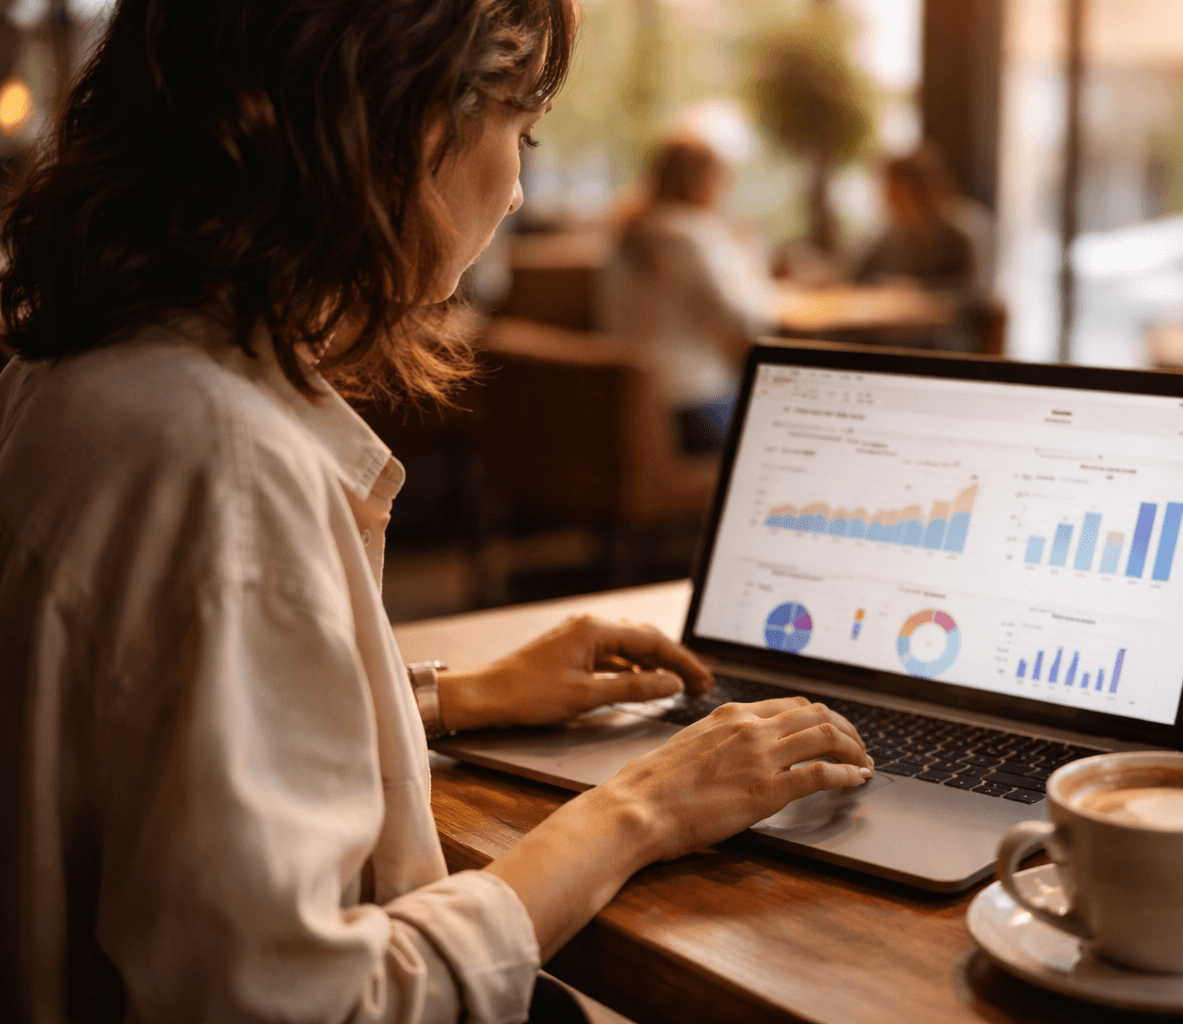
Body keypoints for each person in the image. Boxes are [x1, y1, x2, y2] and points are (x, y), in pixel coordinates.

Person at [0, 3, 872, 1022]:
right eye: (522, 128)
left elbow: (151, 738)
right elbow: (313, 1004)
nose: (512, 188)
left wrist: (454, 694)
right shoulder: (225, 466)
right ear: (410, 124)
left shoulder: (70, 365)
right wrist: (644, 806)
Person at [598, 137, 775, 454]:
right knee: (786, 428)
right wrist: (750, 254)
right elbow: (751, 322)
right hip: (692, 404)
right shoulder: (691, 234)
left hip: (633, 405)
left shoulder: (629, 230)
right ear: (707, 181)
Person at [852, 144, 996, 351]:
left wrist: (919, 294)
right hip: (894, 333)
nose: (886, 199)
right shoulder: (891, 235)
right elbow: (856, 274)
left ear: (919, 189)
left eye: (894, 190)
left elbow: (975, 294)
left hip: (946, 338)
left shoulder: (962, 233)